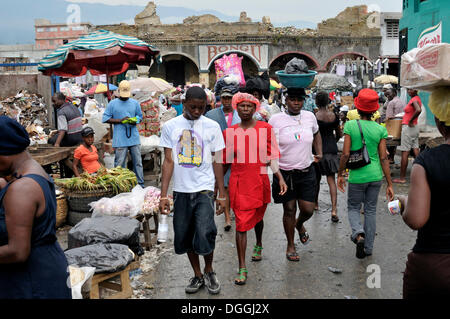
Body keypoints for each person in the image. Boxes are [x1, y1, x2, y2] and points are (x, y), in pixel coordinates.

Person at [159, 86, 227, 295]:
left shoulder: (212, 126)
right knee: (185, 234)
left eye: (201, 108)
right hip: (181, 190)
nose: (197, 112)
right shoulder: (170, 126)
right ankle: (197, 274)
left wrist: (222, 194)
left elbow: (217, 160)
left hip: (205, 189)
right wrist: (164, 195)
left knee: (206, 231)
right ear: (184, 103)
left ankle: (209, 270)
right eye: (193, 107)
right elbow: (168, 160)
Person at [0, 116, 72, 299]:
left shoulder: (21, 189)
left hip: (32, 280)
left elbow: (18, 251)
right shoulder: (34, 172)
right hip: (46, 267)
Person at [223, 92, 287, 285]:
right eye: (241, 106)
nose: (245, 109)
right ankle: (242, 267)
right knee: (241, 224)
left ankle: (258, 243)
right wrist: (218, 188)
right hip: (239, 182)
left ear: (255, 108)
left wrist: (280, 178)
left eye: (249, 106)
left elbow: (271, 157)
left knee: (258, 217)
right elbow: (224, 162)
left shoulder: (265, 129)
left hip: (259, 181)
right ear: (236, 107)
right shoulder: (229, 132)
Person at [399, 101, 450, 299]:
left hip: (433, 265)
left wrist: (404, 202)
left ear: (439, 121)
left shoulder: (427, 161)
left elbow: (416, 219)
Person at [337, 88, 394, 259]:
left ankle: (358, 233)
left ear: (357, 107)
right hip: (375, 176)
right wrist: (390, 184)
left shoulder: (350, 125)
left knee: (353, 207)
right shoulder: (380, 129)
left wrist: (340, 173)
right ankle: (368, 248)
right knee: (370, 211)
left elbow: (346, 154)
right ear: (375, 110)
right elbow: (384, 158)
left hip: (357, 176)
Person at [268, 88, 323, 262]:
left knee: (307, 209)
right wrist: (277, 173)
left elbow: (316, 133)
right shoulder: (275, 120)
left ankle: (299, 224)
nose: (296, 103)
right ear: (286, 100)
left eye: (299, 99)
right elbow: (270, 147)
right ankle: (290, 245)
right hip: (285, 173)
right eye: (292, 99)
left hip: (306, 171)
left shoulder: (309, 117)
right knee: (289, 209)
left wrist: (319, 153)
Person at [205, 88, 241, 231]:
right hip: (219, 154)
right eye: (224, 98)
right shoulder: (211, 115)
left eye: (230, 98)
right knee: (224, 185)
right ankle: (227, 217)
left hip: (239, 155)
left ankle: (234, 211)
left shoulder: (241, 114)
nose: (227, 101)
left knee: (235, 186)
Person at [102, 80, 145, 188]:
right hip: (120, 137)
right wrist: (120, 120)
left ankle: (140, 184)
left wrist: (135, 120)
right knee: (120, 163)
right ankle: (120, 185)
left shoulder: (135, 103)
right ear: (119, 92)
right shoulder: (112, 104)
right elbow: (105, 118)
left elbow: (140, 116)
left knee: (138, 162)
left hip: (133, 136)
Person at [314, 91, 342, 222]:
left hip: (318, 151)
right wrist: (333, 142)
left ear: (316, 102)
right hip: (331, 149)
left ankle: (315, 204)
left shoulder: (315, 117)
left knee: (316, 180)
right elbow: (339, 133)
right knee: (331, 181)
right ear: (328, 102)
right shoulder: (334, 116)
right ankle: (334, 209)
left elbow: (311, 135)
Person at [393, 89, 422, 184]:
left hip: (409, 128)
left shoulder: (414, 99)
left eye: (411, 89)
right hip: (415, 127)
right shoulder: (417, 98)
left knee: (405, 152)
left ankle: (402, 178)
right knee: (416, 151)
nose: (409, 91)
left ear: (416, 90)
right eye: (408, 89)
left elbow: (418, 110)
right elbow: (412, 112)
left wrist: (410, 120)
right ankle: (422, 174)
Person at [384, 88, 406, 164]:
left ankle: (390, 158)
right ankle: (392, 158)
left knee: (389, 142)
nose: (387, 96)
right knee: (394, 144)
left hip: (393, 126)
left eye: (388, 94)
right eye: (386, 95)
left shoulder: (391, 103)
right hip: (402, 126)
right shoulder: (402, 101)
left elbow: (388, 117)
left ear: (394, 93)